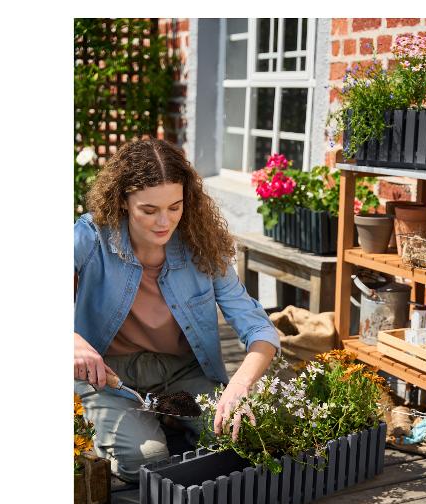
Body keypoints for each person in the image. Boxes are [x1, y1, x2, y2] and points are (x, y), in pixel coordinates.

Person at [74, 138, 280, 482]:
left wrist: (239, 385)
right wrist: (73, 340)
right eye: (148, 210)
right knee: (148, 463)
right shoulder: (91, 236)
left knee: (242, 442)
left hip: (184, 372)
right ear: (123, 201)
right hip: (112, 377)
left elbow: (259, 329)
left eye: (175, 207)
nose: (164, 222)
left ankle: (167, 416)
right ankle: (126, 422)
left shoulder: (203, 244)